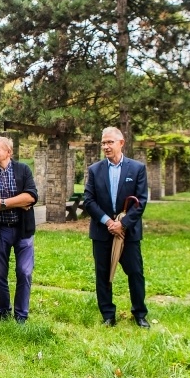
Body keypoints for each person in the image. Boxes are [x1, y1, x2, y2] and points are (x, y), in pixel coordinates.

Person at [83, 127, 149, 328]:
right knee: (102, 274)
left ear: (122, 143)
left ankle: (139, 314)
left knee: (135, 272)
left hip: (128, 233)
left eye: (110, 142)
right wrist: (109, 222)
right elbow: (89, 200)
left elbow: (141, 201)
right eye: (103, 143)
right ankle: (108, 315)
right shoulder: (95, 170)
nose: (106, 146)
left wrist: (123, 223)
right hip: (102, 231)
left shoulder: (137, 169)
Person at [0, 136, 37, 323]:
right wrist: (18, 202)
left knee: (24, 272)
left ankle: (21, 316)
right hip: (0, 231)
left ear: (8, 152)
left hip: (23, 230)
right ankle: (3, 312)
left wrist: (3, 202)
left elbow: (31, 197)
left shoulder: (23, 170)